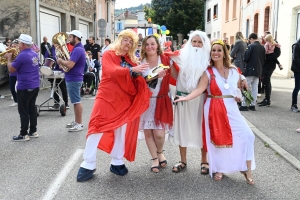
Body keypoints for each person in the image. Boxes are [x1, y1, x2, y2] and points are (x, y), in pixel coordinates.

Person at [174, 39, 255, 185]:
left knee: (248, 136)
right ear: (210, 54)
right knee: (218, 139)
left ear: (225, 53)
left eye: (219, 50)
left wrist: (239, 91)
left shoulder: (234, 71)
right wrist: (186, 98)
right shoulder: (208, 72)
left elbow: (235, 88)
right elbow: (199, 89)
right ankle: (219, 168)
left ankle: (246, 168)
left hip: (231, 108)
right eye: (213, 50)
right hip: (214, 106)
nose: (216, 53)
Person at [76, 29, 151, 182]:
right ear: (120, 40)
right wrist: (132, 70)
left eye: (131, 42)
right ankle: (88, 163)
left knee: (120, 130)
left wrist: (153, 76)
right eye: (126, 40)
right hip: (107, 98)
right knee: (96, 127)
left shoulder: (132, 60)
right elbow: (111, 71)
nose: (128, 43)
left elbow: (139, 79)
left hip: (124, 100)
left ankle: (117, 161)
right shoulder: (110, 54)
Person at [167, 30, 210, 174]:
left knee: (202, 129)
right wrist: (171, 64)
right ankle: (183, 160)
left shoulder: (208, 60)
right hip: (182, 98)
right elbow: (175, 75)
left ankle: (204, 161)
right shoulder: (181, 57)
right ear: (190, 43)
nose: (197, 45)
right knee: (182, 129)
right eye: (194, 41)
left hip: (200, 99)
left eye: (200, 42)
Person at [139, 35, 173, 173]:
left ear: (157, 46)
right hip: (146, 101)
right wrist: (154, 77)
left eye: (152, 44)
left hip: (161, 99)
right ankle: (154, 158)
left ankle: (160, 152)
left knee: (159, 134)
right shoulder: (141, 62)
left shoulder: (165, 59)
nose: (150, 47)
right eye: (147, 44)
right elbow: (138, 82)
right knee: (148, 132)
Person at [4, 34, 40, 141]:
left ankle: (23, 134)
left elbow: (11, 69)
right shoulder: (34, 54)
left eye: (19, 43)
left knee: (23, 111)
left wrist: (9, 58)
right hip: (35, 85)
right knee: (32, 108)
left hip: (24, 86)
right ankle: (33, 131)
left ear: (23, 44)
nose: (18, 45)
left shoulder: (22, 55)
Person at [56, 30, 86, 132]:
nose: (68, 39)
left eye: (70, 37)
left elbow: (70, 65)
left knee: (76, 101)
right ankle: (77, 121)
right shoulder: (77, 49)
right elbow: (69, 64)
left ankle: (79, 124)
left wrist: (61, 61)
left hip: (74, 78)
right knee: (75, 101)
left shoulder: (78, 50)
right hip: (73, 77)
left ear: (76, 38)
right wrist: (63, 63)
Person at [241, 33, 266, 111]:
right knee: (255, 87)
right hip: (258, 69)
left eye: (249, 40)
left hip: (250, 69)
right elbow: (264, 59)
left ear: (251, 39)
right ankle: (252, 105)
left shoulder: (250, 46)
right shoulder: (262, 47)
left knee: (246, 86)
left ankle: (244, 105)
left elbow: (246, 58)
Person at [258, 34, 281, 107]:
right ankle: (266, 99)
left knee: (266, 80)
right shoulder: (267, 45)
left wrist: (266, 57)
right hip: (267, 65)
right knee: (265, 81)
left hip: (270, 65)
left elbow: (276, 55)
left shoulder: (275, 46)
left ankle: (267, 99)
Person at [44, 45, 69, 109]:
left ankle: (66, 103)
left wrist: (63, 64)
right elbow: (46, 59)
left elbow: (66, 58)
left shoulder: (62, 49)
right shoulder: (49, 49)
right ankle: (56, 103)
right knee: (54, 88)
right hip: (52, 72)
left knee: (63, 88)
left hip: (60, 71)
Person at [8, 39, 19, 107]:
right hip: (12, 73)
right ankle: (16, 101)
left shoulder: (20, 53)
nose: (13, 47)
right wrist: (9, 57)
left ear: (18, 46)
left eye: (14, 46)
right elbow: (8, 65)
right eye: (12, 46)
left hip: (19, 73)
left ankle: (21, 101)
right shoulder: (10, 53)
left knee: (19, 88)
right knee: (12, 87)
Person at [291, 38, 300, 113]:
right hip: (298, 70)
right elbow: (295, 59)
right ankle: (294, 105)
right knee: (297, 87)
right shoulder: (296, 45)